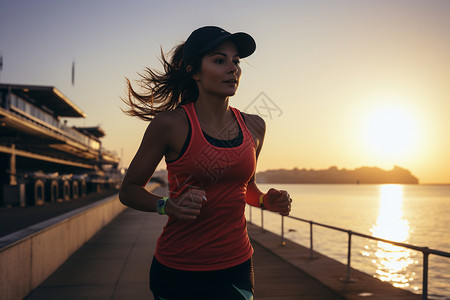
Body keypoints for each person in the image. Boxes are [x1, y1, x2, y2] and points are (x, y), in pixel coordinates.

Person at [119, 26, 292, 300]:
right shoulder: (170, 125)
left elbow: (246, 188)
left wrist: (266, 202)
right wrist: (166, 205)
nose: (232, 68)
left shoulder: (255, 126)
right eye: (219, 60)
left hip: (236, 265)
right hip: (177, 269)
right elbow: (128, 190)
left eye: (236, 61)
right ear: (194, 71)